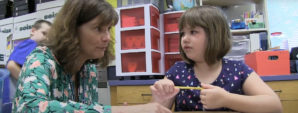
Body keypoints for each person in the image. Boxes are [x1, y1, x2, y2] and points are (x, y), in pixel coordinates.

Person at [12, 0, 171, 113]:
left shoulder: (89, 70)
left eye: (108, 29)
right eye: (98, 28)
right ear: (72, 30)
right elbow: (29, 108)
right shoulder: (41, 59)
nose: (107, 37)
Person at [150, 6, 282, 113]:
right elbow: (156, 108)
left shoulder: (238, 70)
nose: (184, 38)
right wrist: (160, 98)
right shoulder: (176, 71)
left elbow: (275, 106)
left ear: (215, 36)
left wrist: (227, 99)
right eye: (182, 33)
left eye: (193, 32)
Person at [6, 19, 51, 101]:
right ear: (33, 31)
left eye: (50, 36)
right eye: (44, 33)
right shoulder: (31, 43)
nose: (46, 38)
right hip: (17, 92)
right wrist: (30, 83)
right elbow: (11, 65)